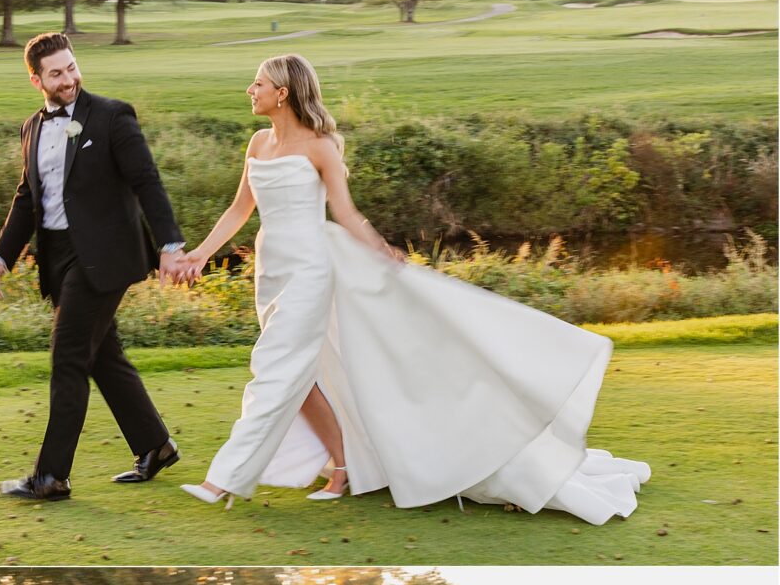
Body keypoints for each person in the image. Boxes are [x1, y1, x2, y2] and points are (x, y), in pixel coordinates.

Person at [176, 55, 650, 524]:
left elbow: (344, 211)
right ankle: (341, 471)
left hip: (309, 271)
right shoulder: (258, 143)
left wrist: (381, 249)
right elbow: (240, 210)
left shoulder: (322, 147)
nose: (249, 90)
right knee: (302, 379)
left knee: (273, 369)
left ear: (282, 92)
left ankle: (224, 479)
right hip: (271, 272)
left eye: (257, 83)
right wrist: (200, 253)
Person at [0, 33, 187, 500]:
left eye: (72, 67)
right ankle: (155, 445)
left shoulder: (113, 116)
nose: (69, 79)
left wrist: (170, 244)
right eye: (56, 73)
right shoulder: (31, 127)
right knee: (102, 355)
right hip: (58, 257)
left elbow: (146, 182)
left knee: (69, 355)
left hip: (106, 255)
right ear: (36, 79)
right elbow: (26, 198)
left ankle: (51, 476)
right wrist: (1, 255)